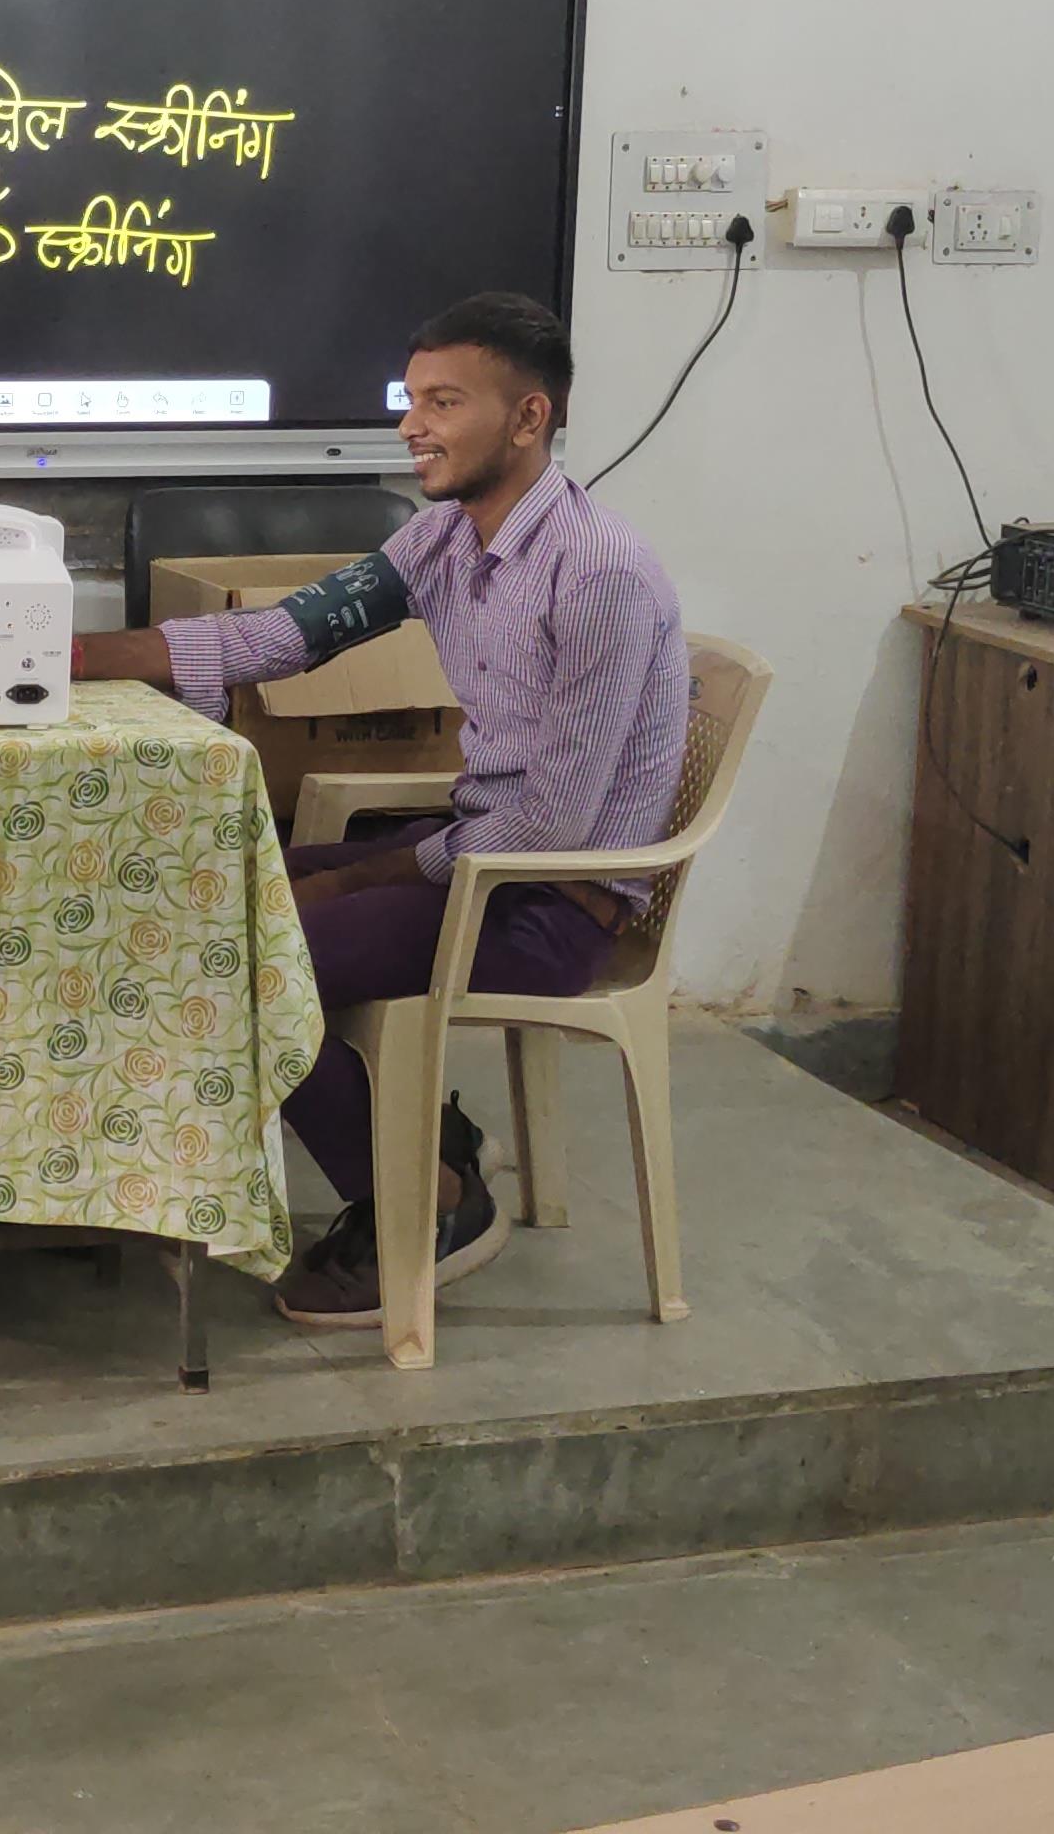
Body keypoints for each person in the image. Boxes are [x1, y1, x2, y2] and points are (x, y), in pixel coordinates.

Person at [71, 291, 689, 1334]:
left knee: (254, 951)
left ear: (529, 418)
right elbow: (274, 640)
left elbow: (550, 831)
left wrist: (369, 875)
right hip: (477, 857)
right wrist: (72, 656)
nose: (413, 425)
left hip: (549, 901)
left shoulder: (598, 573)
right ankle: (417, 1140)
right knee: (214, 889)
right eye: (412, 401)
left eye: (444, 402)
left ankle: (429, 1200)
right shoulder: (442, 540)